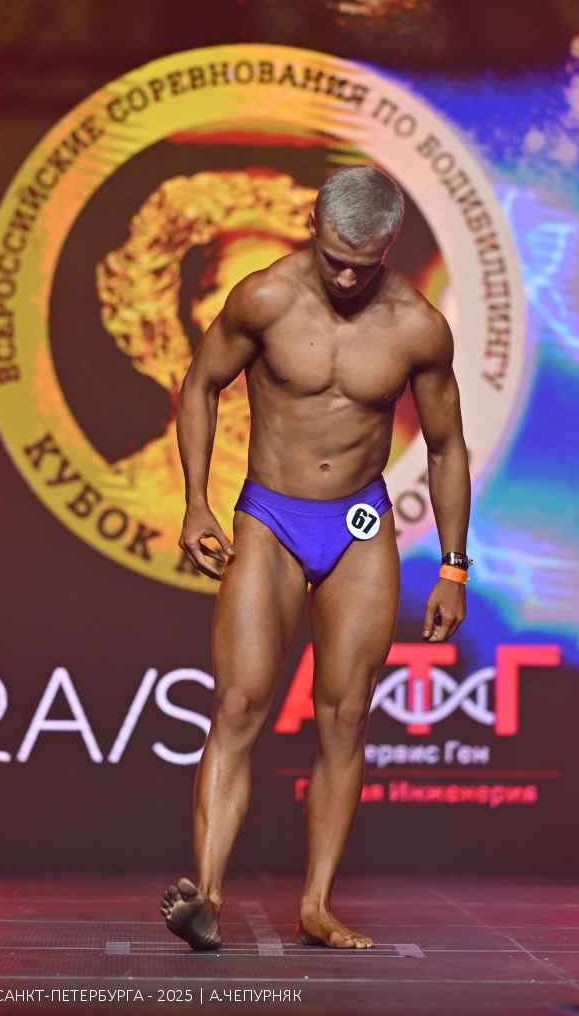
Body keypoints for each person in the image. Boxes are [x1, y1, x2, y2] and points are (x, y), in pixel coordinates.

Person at [161, 165, 471, 952]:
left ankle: (317, 907)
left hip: (359, 525)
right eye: (335, 258)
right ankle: (207, 897)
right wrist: (195, 500)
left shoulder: (417, 325)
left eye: (363, 265)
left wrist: (453, 566)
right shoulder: (265, 297)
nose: (346, 277)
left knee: (346, 717)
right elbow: (200, 385)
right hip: (269, 515)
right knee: (239, 704)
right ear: (311, 224)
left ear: (388, 246)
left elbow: (446, 447)